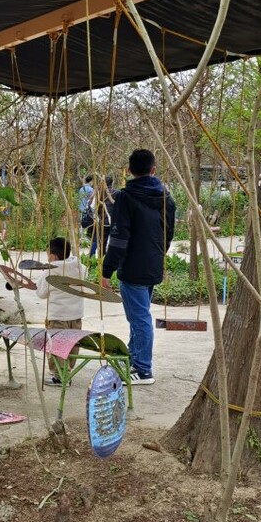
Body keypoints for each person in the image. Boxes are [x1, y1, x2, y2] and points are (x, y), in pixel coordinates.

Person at [102, 149, 176, 385]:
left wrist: (107, 270)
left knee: (140, 317)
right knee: (137, 315)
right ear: (153, 169)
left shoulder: (126, 197)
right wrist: (157, 255)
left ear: (129, 171)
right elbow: (169, 234)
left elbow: (119, 238)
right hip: (152, 264)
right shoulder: (167, 198)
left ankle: (143, 369)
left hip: (133, 267)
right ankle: (133, 359)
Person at [26, 237, 86, 386]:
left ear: (53, 255)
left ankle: (60, 377)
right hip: (77, 315)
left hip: (58, 315)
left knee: (57, 345)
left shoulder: (50, 272)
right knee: (73, 344)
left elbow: (41, 293)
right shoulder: (80, 267)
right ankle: (68, 371)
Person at [88, 176, 118, 257]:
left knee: (102, 243)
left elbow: (93, 205)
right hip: (115, 222)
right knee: (114, 242)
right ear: (112, 182)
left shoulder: (99, 193)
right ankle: (113, 260)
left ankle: (101, 260)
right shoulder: (117, 193)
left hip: (103, 222)